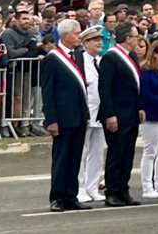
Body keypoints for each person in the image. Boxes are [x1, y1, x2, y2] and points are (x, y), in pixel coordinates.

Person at [42, 19, 91, 211]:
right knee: (61, 159)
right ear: (66, 35)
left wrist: (85, 115)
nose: (80, 37)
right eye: (77, 33)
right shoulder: (52, 58)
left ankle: (71, 195)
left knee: (75, 158)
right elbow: (48, 92)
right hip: (62, 117)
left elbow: (81, 88)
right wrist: (51, 120)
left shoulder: (77, 56)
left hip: (78, 116)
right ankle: (57, 197)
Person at [98, 23, 144, 207]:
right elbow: (104, 88)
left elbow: (136, 85)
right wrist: (109, 114)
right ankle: (112, 191)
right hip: (116, 113)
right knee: (116, 153)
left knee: (128, 153)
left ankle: (123, 189)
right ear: (127, 38)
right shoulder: (111, 57)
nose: (138, 39)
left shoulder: (132, 56)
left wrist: (140, 107)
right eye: (136, 36)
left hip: (131, 112)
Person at [76, 26, 106, 203]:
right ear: (85, 43)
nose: (99, 43)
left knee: (97, 153)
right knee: (82, 152)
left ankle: (92, 187)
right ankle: (80, 189)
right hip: (87, 112)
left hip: (101, 114)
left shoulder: (101, 61)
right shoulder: (80, 62)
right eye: (95, 40)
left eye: (100, 40)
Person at [139, 35, 158, 198]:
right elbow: (146, 94)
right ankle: (147, 187)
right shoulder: (146, 71)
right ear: (155, 53)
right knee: (150, 152)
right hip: (152, 115)